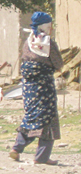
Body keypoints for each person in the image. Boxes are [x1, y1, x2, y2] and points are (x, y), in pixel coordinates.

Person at [9, 12, 63, 165]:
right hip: (45, 87)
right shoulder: (48, 44)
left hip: (29, 88)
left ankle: (16, 148)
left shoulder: (28, 43)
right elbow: (58, 63)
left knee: (31, 116)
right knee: (48, 119)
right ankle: (42, 157)